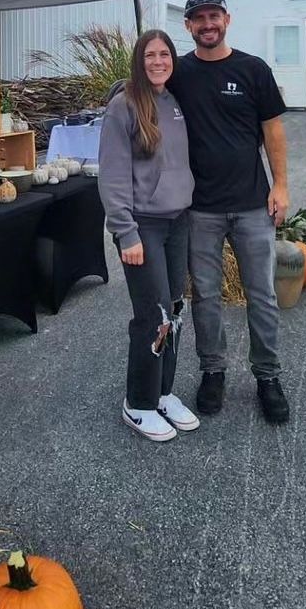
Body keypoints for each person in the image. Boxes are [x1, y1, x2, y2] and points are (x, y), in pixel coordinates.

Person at [168, 0, 290, 423]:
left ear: (227, 19)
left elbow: (273, 132)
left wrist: (281, 187)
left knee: (262, 295)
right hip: (200, 208)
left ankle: (268, 377)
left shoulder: (253, 69)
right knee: (205, 296)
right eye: (198, 18)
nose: (207, 24)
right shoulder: (178, 73)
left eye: (213, 16)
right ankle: (213, 371)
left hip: (253, 205)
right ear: (188, 26)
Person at [98, 29, 200, 442]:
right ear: (139, 61)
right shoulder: (123, 107)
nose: (158, 62)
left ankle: (163, 392)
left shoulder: (174, 102)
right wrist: (126, 233)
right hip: (143, 226)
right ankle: (138, 403)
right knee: (152, 315)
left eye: (164, 54)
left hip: (179, 221)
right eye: (149, 55)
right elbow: (113, 175)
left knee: (175, 309)